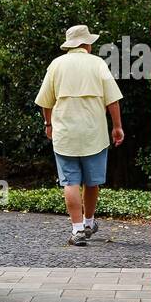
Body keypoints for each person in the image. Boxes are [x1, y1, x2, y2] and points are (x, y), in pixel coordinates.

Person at [34, 24, 124, 246]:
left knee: (70, 181)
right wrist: (117, 126)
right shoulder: (97, 64)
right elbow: (112, 99)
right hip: (94, 132)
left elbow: (46, 101)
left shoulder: (56, 65)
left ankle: (76, 231)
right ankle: (88, 222)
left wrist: (48, 124)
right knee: (92, 182)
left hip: (65, 132)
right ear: (87, 44)